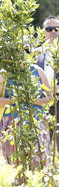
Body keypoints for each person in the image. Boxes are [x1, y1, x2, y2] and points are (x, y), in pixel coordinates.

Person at [0, 66, 51, 169]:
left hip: (36, 122)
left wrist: (37, 101)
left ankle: (37, 184)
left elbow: (50, 97)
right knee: (14, 163)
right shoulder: (4, 73)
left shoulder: (38, 71)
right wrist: (14, 100)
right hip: (12, 122)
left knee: (39, 160)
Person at [36, 15, 59, 153]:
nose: (53, 32)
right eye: (49, 29)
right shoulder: (36, 54)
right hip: (40, 102)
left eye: (57, 28)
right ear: (44, 32)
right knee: (42, 144)